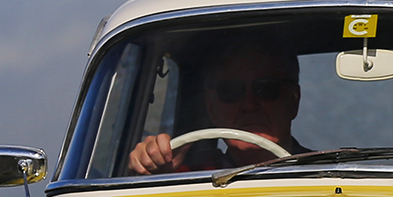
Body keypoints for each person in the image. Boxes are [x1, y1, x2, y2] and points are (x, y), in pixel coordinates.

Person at [128, 41, 308, 174]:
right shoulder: (186, 178)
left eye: (266, 88)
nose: (249, 105)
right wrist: (147, 167)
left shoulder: (323, 178)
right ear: (211, 107)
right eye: (230, 91)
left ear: (293, 100)